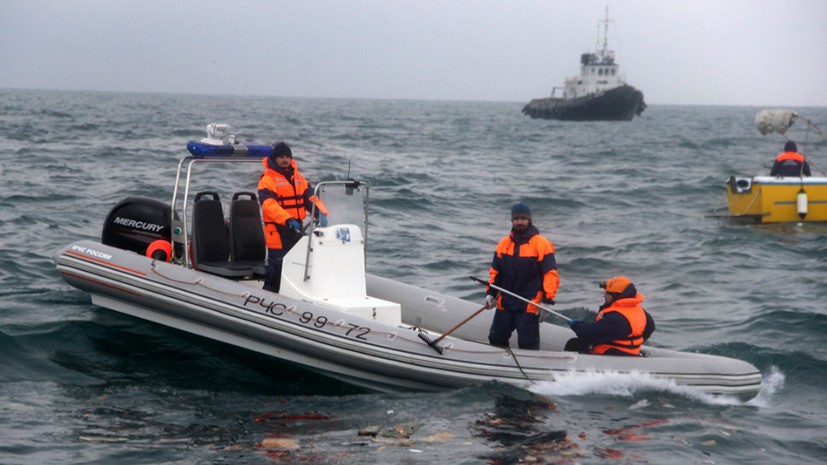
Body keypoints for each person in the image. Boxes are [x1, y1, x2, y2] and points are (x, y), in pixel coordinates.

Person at [485, 202, 559, 350]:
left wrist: (547, 301)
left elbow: (550, 275)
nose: (519, 222)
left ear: (529, 220)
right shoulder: (503, 244)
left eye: (523, 219)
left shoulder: (542, 244)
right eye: (516, 219)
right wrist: (491, 293)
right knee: (495, 339)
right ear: (512, 221)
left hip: (529, 304)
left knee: (528, 345)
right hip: (505, 302)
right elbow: (496, 272)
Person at [258, 141, 327, 293]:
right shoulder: (267, 180)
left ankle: (292, 293)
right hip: (278, 230)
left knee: (296, 264)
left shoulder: (299, 178)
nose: (285, 160)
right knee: (277, 266)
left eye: (287, 157)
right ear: (274, 158)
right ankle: (268, 294)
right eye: (281, 157)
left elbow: (311, 198)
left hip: (296, 229)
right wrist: (287, 219)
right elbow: (269, 205)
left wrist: (321, 213)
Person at [565, 276, 655, 356]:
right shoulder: (642, 312)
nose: (604, 296)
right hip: (631, 352)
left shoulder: (616, 318)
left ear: (617, 296)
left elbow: (591, 335)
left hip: (613, 354)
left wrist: (576, 325)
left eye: (608, 294)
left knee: (573, 344)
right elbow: (650, 329)